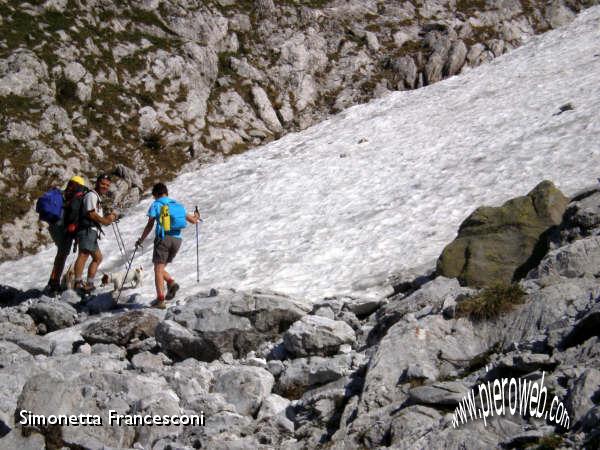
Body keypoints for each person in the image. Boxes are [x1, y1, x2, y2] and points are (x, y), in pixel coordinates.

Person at [135, 182, 200, 309]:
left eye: (154, 196)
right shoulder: (177, 205)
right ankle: (171, 283)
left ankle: (160, 300)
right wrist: (197, 215)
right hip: (177, 241)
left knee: (158, 270)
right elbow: (193, 220)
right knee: (159, 268)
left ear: (156, 194)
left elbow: (150, 224)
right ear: (166, 192)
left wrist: (141, 240)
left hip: (163, 239)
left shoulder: (157, 204)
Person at [73, 174, 117, 294]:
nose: (105, 187)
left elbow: (95, 215)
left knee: (98, 258)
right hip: (87, 229)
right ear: (97, 183)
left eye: (107, 185)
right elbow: (91, 214)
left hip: (92, 231)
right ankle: (77, 283)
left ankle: (89, 283)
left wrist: (108, 218)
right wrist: (106, 220)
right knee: (84, 254)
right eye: (103, 184)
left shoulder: (96, 197)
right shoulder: (92, 195)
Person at [43, 176, 87, 294]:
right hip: (64, 229)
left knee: (60, 254)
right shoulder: (76, 196)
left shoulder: (64, 193)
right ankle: (54, 283)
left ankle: (53, 280)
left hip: (53, 226)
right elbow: (73, 213)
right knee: (62, 255)